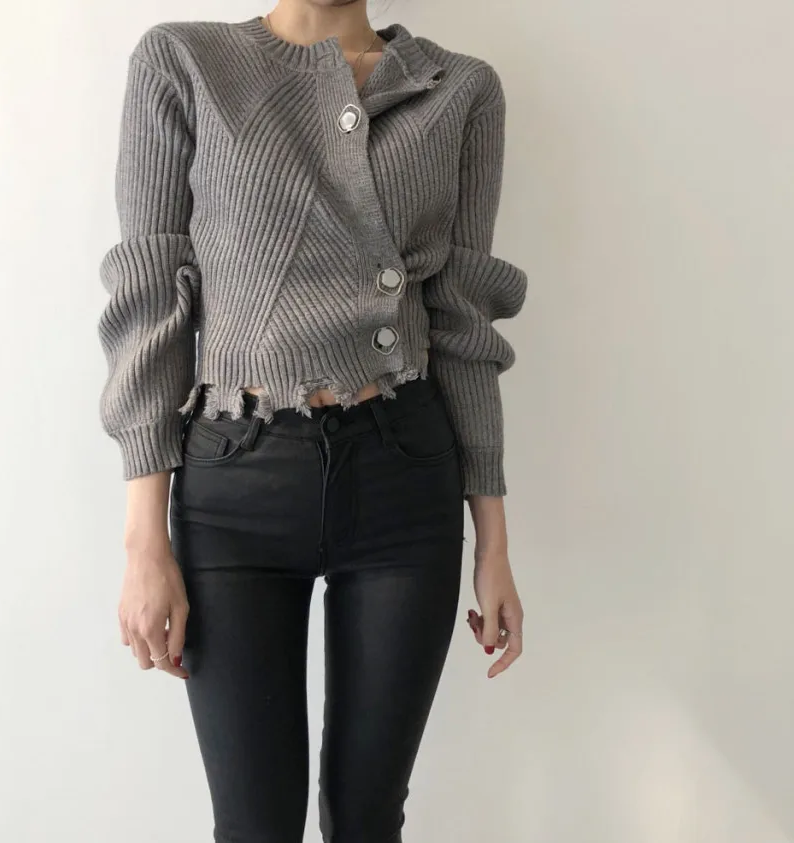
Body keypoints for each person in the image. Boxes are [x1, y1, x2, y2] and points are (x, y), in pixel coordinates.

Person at [97, 1, 528, 840]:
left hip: (404, 476)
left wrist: (495, 546)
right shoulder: (184, 64)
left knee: (367, 818)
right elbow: (150, 305)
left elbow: (464, 326)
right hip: (237, 482)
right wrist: (144, 544)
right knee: (253, 824)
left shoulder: (460, 90)